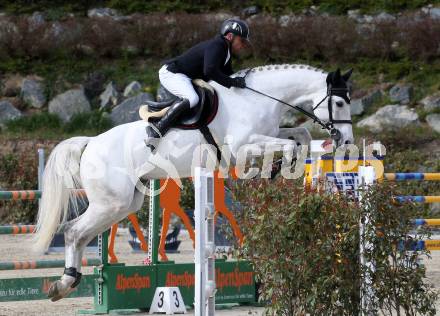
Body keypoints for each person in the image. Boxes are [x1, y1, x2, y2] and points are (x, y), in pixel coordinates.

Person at [145, 18, 250, 151]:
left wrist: (241, 82)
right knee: (192, 98)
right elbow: (210, 70)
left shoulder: (226, 52)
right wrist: (233, 82)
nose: (243, 45)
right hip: (172, 73)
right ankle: (156, 131)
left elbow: (227, 74)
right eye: (242, 40)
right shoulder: (218, 45)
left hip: (186, 77)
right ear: (230, 36)